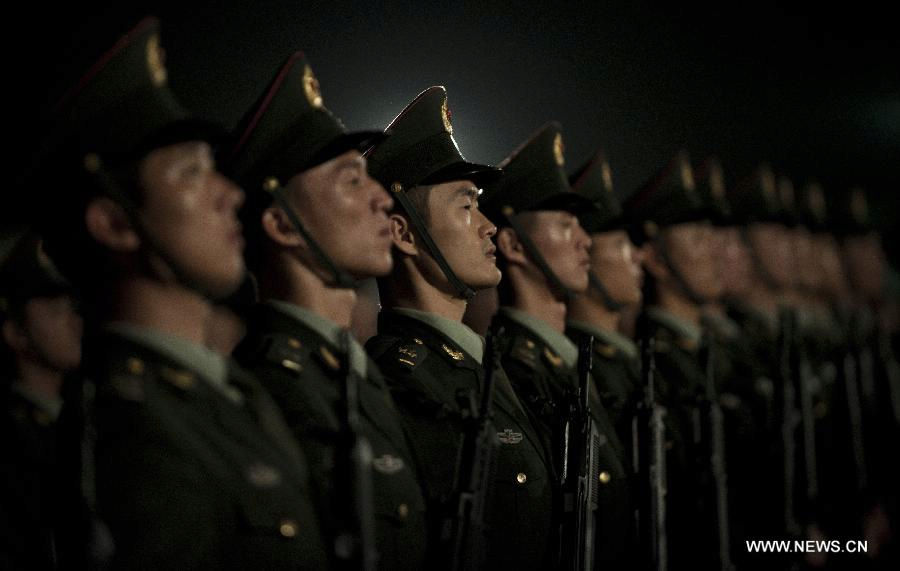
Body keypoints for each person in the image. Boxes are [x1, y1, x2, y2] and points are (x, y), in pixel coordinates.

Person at [39, 18, 329, 569]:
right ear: (115, 224)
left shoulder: (224, 391)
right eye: (192, 174)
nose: (228, 194)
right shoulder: (128, 427)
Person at [227, 52, 427, 569]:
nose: (383, 198)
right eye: (351, 179)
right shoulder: (271, 385)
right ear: (283, 227)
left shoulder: (347, 366)